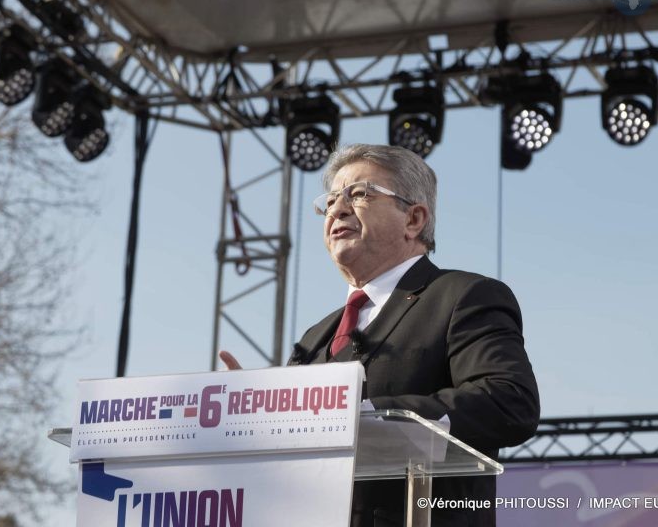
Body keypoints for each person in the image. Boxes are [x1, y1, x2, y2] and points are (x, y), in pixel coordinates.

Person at [220, 143, 539, 526]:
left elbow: (509, 402)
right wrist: (255, 415)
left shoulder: (462, 297)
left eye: (359, 194)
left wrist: (374, 419)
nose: (337, 209)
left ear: (414, 219)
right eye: (332, 200)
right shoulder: (314, 338)